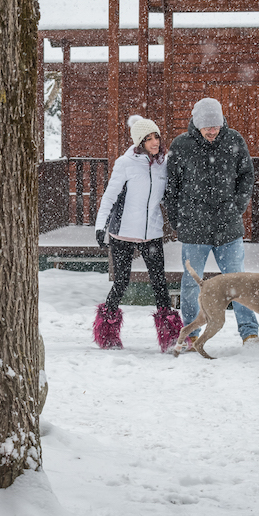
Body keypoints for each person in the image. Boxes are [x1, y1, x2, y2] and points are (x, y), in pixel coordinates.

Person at [163, 97, 259, 349]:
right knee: (192, 282)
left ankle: (249, 334)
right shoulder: (181, 145)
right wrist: (177, 220)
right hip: (194, 228)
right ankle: (192, 334)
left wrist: (237, 206)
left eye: (215, 125)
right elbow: (171, 187)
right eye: (207, 126)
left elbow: (247, 176)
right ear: (196, 123)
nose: (212, 131)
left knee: (238, 282)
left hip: (228, 227)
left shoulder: (234, 140)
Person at [92, 116, 184, 351]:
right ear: (139, 142)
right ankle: (108, 333)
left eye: (156, 137)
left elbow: (169, 195)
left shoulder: (164, 163)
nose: (154, 142)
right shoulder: (125, 163)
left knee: (159, 283)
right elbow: (110, 196)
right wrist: (100, 225)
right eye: (148, 138)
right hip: (122, 233)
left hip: (151, 232)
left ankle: (171, 337)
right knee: (121, 282)